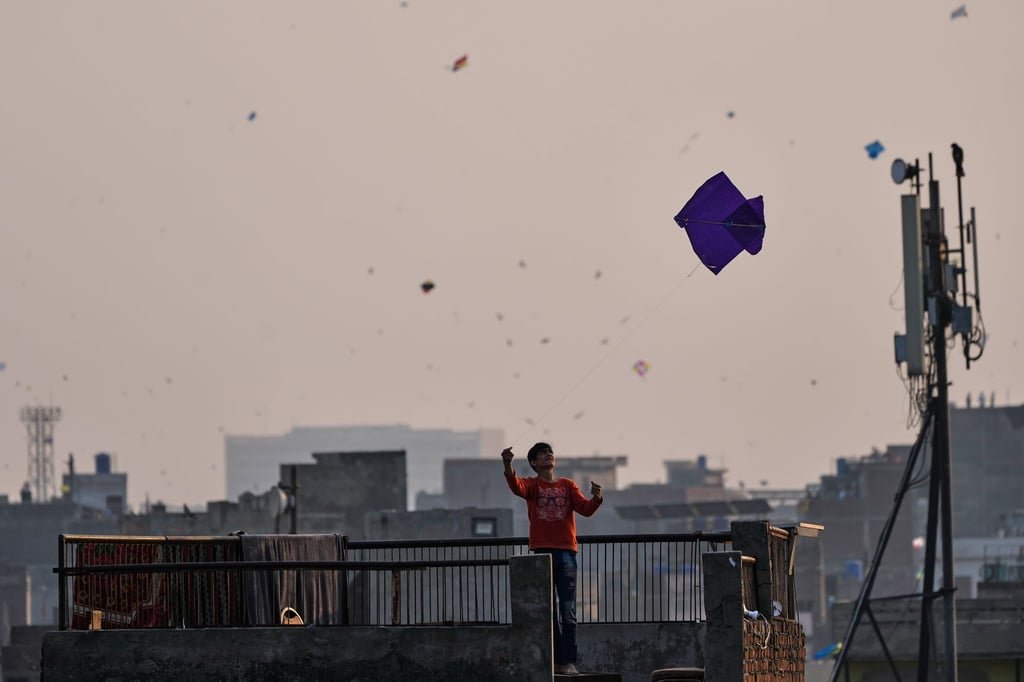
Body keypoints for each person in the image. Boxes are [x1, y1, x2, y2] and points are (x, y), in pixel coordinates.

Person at [502, 442, 603, 676]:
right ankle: (556, 661)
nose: (548, 455)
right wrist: (508, 464)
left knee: (567, 611)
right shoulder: (532, 485)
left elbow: (585, 509)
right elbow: (516, 486)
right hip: (542, 553)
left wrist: (597, 498)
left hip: (567, 552)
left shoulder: (567, 485)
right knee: (547, 611)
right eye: (542, 454)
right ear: (534, 463)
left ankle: (569, 661)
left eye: (550, 452)